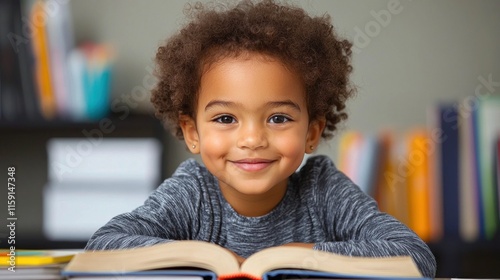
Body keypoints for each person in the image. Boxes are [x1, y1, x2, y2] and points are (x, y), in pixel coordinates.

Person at [85, 0, 436, 277]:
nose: (252, 139)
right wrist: (209, 259)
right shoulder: (192, 192)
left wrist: (299, 258)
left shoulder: (323, 189)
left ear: (312, 131)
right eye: (226, 118)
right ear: (192, 132)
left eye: (278, 118)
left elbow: (415, 256)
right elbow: (103, 248)